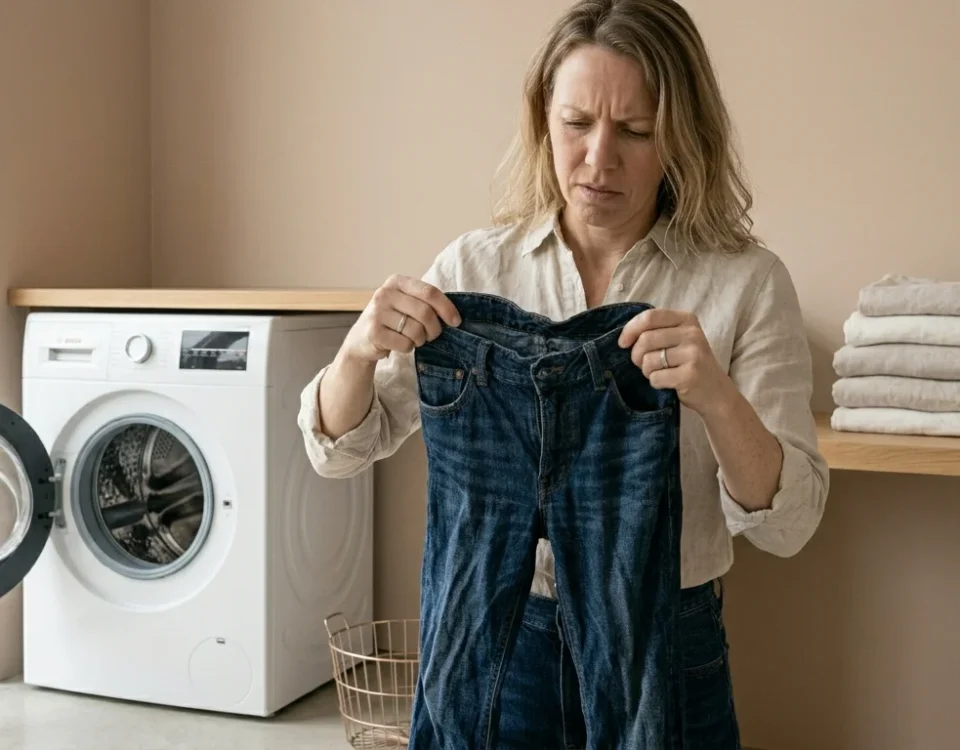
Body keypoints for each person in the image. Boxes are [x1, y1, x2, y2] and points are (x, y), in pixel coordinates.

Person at [298, 0, 830, 747]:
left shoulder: (746, 283)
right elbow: (340, 448)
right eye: (576, 124)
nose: (598, 159)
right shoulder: (474, 270)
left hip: (669, 639)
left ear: (681, 135)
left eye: (636, 131)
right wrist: (357, 352)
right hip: (504, 639)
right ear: (542, 119)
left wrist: (714, 396)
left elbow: (792, 523)